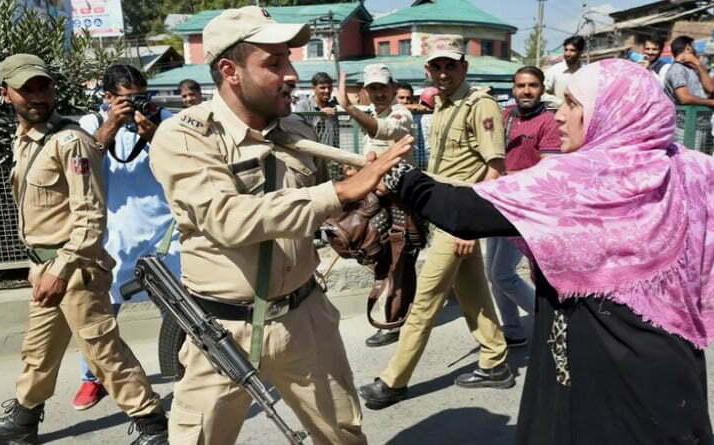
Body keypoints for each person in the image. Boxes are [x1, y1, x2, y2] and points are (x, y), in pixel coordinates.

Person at [378, 58, 714, 445]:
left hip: (595, 369)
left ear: (614, 111)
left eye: (573, 104)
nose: (559, 115)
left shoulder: (576, 182)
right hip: (670, 368)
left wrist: (398, 175)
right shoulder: (702, 172)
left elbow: (462, 213)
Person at [148, 7, 409, 444]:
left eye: (288, 59)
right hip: (223, 331)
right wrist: (339, 194)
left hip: (305, 321)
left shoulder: (297, 129)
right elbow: (226, 218)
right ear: (229, 71)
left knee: (343, 436)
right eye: (274, 63)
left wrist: (371, 206)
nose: (291, 74)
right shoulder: (186, 136)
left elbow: (325, 209)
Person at [0, 54, 167, 445]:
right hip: (47, 267)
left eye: (44, 86)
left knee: (104, 352)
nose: (38, 96)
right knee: (38, 350)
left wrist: (59, 267)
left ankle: (153, 426)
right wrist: (38, 263)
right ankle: (23, 421)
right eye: (27, 89)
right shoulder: (26, 140)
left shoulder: (71, 140)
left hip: (74, 269)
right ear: (5, 94)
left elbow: (90, 216)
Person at [357, 34, 514, 410]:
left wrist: (472, 226)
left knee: (424, 300)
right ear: (428, 70)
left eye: (451, 65)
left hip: (461, 217)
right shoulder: (440, 107)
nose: (443, 72)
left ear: (465, 66)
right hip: (444, 215)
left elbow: (495, 169)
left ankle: (394, 380)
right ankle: (496, 362)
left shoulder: (481, 105)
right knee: (473, 292)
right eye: (436, 66)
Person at [70, 64, 180, 411]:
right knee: (100, 315)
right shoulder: (90, 125)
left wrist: (154, 134)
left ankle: (191, 372)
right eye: (128, 100)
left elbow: (183, 160)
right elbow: (85, 159)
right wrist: (114, 123)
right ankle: (93, 378)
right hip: (115, 235)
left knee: (179, 311)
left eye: (142, 97)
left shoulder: (165, 119)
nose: (138, 105)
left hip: (166, 235)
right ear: (107, 97)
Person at [336, 64, 415, 348]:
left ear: (393, 88)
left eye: (383, 87)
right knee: (383, 262)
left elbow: (386, 131)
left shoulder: (399, 113)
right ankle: (401, 315)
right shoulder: (374, 115)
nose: (378, 93)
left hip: (399, 205)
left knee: (397, 265)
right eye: (373, 88)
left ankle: (394, 322)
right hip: (379, 202)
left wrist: (348, 108)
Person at [487, 66, 561, 347]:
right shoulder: (504, 117)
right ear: (513, 88)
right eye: (520, 85)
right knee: (492, 275)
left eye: (532, 85)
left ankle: (551, 321)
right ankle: (513, 330)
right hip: (497, 203)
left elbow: (548, 170)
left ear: (542, 88)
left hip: (525, 209)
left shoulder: (548, 122)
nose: (526, 91)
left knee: (502, 273)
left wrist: (504, 177)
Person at [294, 71, 339, 147]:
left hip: (332, 155)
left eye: (329, 87)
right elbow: (299, 133)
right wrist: (320, 118)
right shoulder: (303, 106)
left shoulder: (334, 106)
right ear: (314, 88)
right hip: (312, 154)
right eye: (322, 88)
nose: (327, 91)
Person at [543, 35, 585, 107]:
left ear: (580, 52)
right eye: (566, 50)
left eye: (572, 50)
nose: (567, 54)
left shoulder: (586, 71)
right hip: (558, 114)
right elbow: (541, 93)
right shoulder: (554, 71)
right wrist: (561, 104)